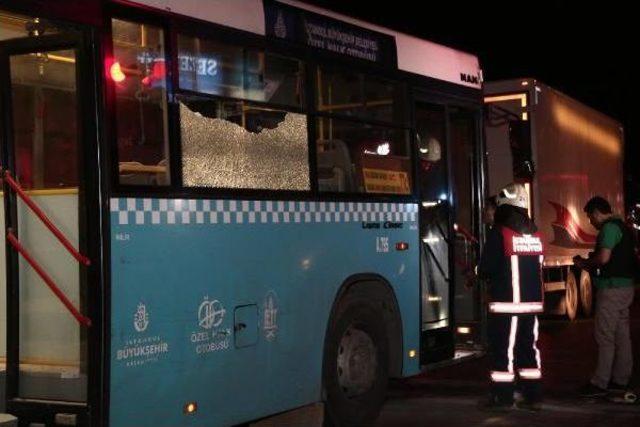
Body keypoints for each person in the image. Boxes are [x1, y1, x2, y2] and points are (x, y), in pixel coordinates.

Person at [477, 183, 544, 411]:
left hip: (507, 305)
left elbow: (486, 267)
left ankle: (502, 397)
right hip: (531, 304)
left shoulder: (500, 233)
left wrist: (477, 272)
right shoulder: (535, 233)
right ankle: (532, 396)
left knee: (503, 351)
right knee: (528, 349)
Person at [573, 196, 636, 397]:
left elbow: (604, 258)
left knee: (605, 336)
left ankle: (600, 382)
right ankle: (621, 379)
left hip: (611, 289)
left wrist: (585, 264)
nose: (591, 222)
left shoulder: (609, 228)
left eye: (590, 217)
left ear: (597, 212)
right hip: (626, 288)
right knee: (622, 336)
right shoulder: (624, 228)